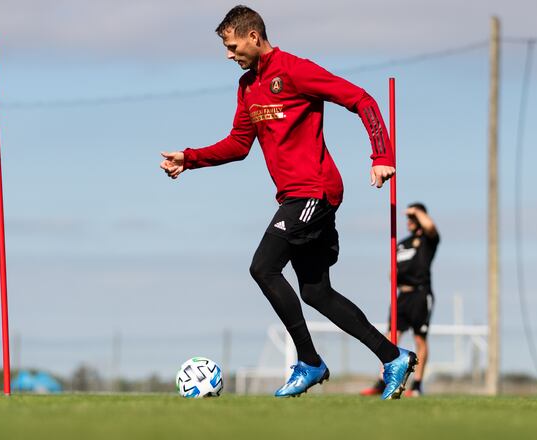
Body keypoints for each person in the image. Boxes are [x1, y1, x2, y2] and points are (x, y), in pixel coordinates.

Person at [159, 5, 417, 399]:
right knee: (316, 292)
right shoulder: (247, 87)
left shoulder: (295, 70)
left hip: (314, 191)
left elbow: (361, 100)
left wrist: (382, 156)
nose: (229, 55)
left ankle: (310, 362)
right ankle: (393, 356)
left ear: (253, 37)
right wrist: (190, 159)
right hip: (294, 197)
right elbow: (239, 144)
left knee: (263, 267)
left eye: (231, 46)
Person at [362, 203, 439, 397]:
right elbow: (393, 272)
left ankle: (417, 385)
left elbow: (430, 227)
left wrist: (416, 211)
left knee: (419, 339)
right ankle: (383, 381)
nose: (409, 220)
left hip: (420, 295)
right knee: (390, 337)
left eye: (413, 216)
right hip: (402, 296)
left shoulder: (428, 240)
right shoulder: (402, 244)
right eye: (408, 217)